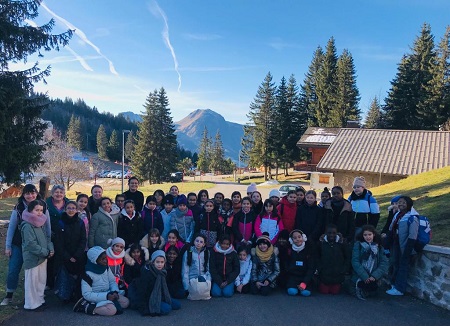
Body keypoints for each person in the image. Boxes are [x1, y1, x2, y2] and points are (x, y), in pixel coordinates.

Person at [2, 184, 50, 306]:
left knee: (35, 271)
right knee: (14, 269)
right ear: (23, 195)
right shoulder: (18, 207)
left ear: (36, 193)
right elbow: (12, 227)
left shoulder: (43, 206)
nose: (30, 195)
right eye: (27, 193)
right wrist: (8, 246)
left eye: (33, 193)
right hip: (18, 244)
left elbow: (47, 226)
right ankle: (9, 295)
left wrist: (48, 243)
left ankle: (36, 296)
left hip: (36, 245)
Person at [73, 246, 129, 315]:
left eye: (106, 258)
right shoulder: (87, 274)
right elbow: (87, 294)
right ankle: (85, 306)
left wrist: (114, 291)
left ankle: (108, 304)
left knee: (125, 303)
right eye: (102, 259)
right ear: (94, 260)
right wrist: (106, 296)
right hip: (96, 297)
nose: (105, 261)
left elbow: (112, 281)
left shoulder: (106, 268)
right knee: (111, 310)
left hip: (108, 293)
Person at [21, 200, 54, 311]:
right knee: (32, 282)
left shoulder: (40, 222)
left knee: (41, 281)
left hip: (42, 257)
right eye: (37, 210)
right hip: (33, 258)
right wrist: (45, 252)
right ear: (30, 210)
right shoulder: (27, 225)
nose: (39, 213)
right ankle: (31, 304)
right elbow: (30, 244)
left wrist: (50, 249)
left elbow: (47, 237)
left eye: (41, 210)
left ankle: (39, 301)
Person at [128, 250, 181, 316]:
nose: (160, 264)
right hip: (150, 298)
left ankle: (163, 302)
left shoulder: (162, 272)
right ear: (153, 262)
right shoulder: (147, 273)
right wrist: (145, 308)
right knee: (167, 309)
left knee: (178, 305)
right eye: (157, 262)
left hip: (160, 295)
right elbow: (143, 293)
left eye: (162, 262)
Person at [386, 196, 419, 296]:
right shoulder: (397, 215)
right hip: (396, 243)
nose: (401, 204)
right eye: (399, 202)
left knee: (403, 266)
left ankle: (400, 289)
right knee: (396, 264)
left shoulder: (412, 217)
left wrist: (408, 250)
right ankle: (394, 284)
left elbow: (413, 235)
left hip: (406, 246)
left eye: (403, 202)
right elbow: (391, 229)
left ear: (409, 204)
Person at [54, 201, 87, 301]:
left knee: (78, 277)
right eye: (69, 208)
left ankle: (77, 295)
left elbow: (83, 239)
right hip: (65, 256)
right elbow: (58, 242)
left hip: (78, 255)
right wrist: (68, 256)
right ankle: (65, 295)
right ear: (65, 209)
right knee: (66, 277)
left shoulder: (80, 222)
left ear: (76, 210)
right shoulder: (60, 223)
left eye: (73, 208)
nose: (71, 210)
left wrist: (76, 255)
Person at [352, 225, 389, 299]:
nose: (367, 237)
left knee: (372, 290)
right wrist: (364, 276)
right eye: (365, 235)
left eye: (370, 234)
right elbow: (355, 261)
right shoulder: (358, 245)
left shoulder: (379, 247)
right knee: (360, 287)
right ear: (362, 236)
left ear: (374, 235)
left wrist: (374, 276)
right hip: (361, 274)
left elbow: (384, 263)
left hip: (373, 275)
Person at [46, 184, 69, 289]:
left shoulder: (69, 203)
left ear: (64, 194)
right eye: (56, 192)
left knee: (63, 258)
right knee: (50, 259)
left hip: (65, 236)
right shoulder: (46, 204)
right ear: (52, 193)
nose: (59, 194)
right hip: (51, 235)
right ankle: (49, 283)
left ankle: (62, 282)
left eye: (61, 192)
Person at [317, 224, 350, 295]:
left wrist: (344, 269)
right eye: (329, 233)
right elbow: (317, 257)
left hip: (338, 274)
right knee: (324, 292)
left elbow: (347, 257)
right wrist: (320, 269)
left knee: (335, 292)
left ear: (337, 233)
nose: (331, 235)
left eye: (334, 233)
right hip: (324, 274)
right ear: (325, 233)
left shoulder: (342, 243)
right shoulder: (321, 243)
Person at [286, 229, 315, 297]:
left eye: (299, 237)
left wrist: (305, 282)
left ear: (303, 237)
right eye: (295, 238)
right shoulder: (289, 251)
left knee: (306, 293)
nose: (297, 239)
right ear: (291, 240)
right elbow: (286, 265)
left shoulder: (309, 250)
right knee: (292, 292)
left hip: (305, 276)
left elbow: (311, 268)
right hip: (293, 277)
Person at [182, 234, 211, 300]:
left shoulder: (207, 253)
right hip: (192, 279)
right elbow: (185, 270)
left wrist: (209, 281)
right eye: (197, 241)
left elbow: (208, 268)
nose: (198, 243)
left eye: (201, 242)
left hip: (203, 278)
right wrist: (186, 286)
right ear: (194, 242)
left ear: (204, 244)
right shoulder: (188, 252)